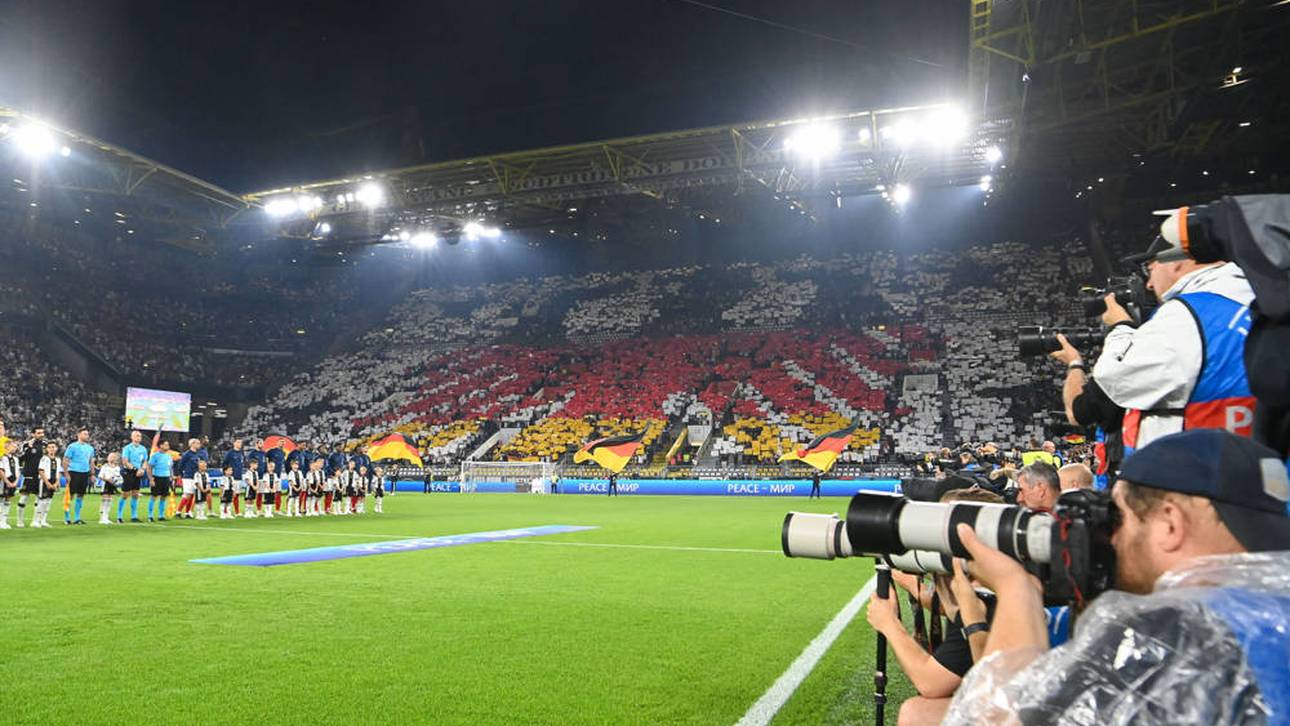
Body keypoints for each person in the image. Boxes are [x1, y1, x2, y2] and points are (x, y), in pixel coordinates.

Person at [944, 429, 1290, 725]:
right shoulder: (1271, 610)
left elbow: (996, 720)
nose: (1109, 538)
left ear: (1169, 524)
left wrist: (1015, 588)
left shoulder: (1172, 631)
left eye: (1117, 517)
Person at [1060, 246, 1255, 462]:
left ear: (1176, 262)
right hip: (1244, 456)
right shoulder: (1250, 297)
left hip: (1195, 466)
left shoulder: (1186, 314)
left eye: (1149, 269)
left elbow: (1104, 385)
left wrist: (1120, 327)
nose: (1149, 284)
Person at [868, 488, 1002, 725]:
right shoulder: (1000, 582)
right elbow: (950, 608)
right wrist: (911, 581)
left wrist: (888, 623)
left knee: (916, 713)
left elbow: (930, 683)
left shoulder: (983, 605)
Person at [62, 428, 95, 525]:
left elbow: (91, 461)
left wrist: (92, 474)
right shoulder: (72, 446)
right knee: (70, 495)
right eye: (85, 434)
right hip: (74, 472)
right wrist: (66, 474)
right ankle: (67, 517)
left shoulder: (90, 448)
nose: (87, 436)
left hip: (84, 473)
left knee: (81, 495)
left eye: (87, 434)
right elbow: (65, 460)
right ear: (79, 435)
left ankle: (77, 518)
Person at [15, 426, 47, 527]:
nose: (41, 435)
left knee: (39, 499)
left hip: (40, 476)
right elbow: (20, 458)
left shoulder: (45, 444)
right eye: (38, 433)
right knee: (24, 498)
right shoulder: (26, 444)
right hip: (29, 475)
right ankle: (19, 521)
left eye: (42, 433)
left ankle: (35, 521)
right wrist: (28, 448)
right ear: (33, 434)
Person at [119, 430, 149, 523]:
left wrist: (142, 469)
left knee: (135, 493)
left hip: (139, 472)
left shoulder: (143, 449)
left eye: (139, 436)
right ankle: (119, 516)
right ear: (132, 437)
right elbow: (125, 461)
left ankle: (134, 516)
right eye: (136, 435)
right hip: (129, 472)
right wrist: (135, 469)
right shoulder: (127, 448)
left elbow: (145, 461)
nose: (138, 437)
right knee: (125, 494)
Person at [32, 440, 62, 528]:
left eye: (53, 447)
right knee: (42, 501)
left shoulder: (58, 459)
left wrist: (57, 482)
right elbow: (41, 471)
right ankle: (35, 521)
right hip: (44, 481)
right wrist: (47, 483)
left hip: (53, 482)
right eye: (49, 447)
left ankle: (43, 520)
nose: (51, 449)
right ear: (47, 449)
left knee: (48, 502)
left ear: (56, 448)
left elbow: (59, 472)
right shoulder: (44, 458)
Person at [146, 440, 174, 522]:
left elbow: (170, 468)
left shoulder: (169, 456)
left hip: (166, 478)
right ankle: (150, 515)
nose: (168, 446)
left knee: (164, 496)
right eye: (166, 444)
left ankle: (161, 515)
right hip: (157, 477)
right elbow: (149, 467)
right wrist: (151, 479)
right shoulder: (155, 456)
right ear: (161, 446)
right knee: (154, 496)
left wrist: (171, 477)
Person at [176, 438, 203, 519]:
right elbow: (180, 465)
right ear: (192, 444)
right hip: (188, 476)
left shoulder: (198, 454)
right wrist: (181, 474)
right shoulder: (187, 454)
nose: (199, 445)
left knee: (192, 495)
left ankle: (187, 512)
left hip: (195, 476)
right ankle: (178, 511)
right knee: (187, 494)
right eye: (197, 443)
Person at [96, 452, 123, 525]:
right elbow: (100, 476)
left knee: (109, 501)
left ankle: (106, 517)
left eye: (113, 457)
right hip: (105, 484)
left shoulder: (117, 467)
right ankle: (102, 518)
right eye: (110, 457)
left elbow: (118, 477)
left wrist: (116, 481)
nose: (111, 458)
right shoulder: (105, 466)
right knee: (104, 500)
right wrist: (107, 479)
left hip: (112, 485)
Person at [1, 440, 19, 529]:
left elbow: (18, 471)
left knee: (8, 500)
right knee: (1, 499)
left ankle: (4, 521)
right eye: (13, 446)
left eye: (15, 446)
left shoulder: (16, 459)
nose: (15, 448)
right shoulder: (2, 458)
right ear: (7, 447)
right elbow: (1, 471)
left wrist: (15, 482)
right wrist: (7, 482)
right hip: (4, 481)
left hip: (13, 481)